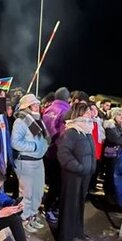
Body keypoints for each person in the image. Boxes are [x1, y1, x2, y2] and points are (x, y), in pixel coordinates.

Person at [56, 103, 97, 241]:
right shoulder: (72, 131)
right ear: (79, 114)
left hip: (84, 174)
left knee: (79, 203)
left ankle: (76, 231)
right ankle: (65, 236)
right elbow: (63, 154)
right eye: (86, 112)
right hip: (73, 174)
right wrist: (78, 167)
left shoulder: (87, 130)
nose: (90, 114)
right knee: (69, 204)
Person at [11, 94, 49, 233]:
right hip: (26, 162)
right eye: (33, 104)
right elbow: (15, 142)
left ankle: (32, 215)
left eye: (37, 104)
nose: (37, 106)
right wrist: (34, 147)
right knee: (27, 193)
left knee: (38, 192)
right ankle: (23, 219)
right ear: (26, 106)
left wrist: (43, 148)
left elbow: (42, 139)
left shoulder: (37, 120)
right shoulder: (21, 121)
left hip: (38, 161)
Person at [42, 87, 71, 223]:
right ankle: (49, 209)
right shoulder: (66, 110)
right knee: (57, 183)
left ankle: (47, 206)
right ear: (67, 97)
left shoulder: (48, 109)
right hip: (57, 151)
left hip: (46, 150)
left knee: (51, 181)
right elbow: (64, 133)